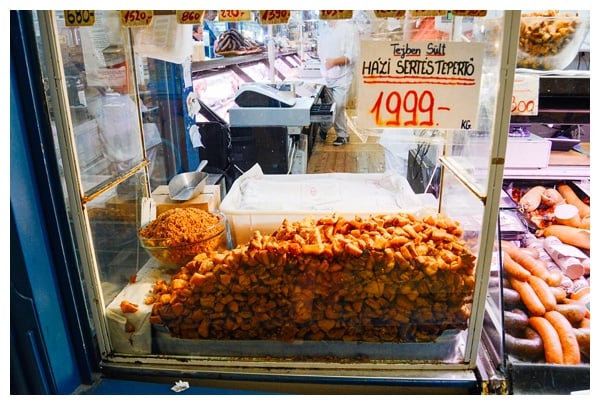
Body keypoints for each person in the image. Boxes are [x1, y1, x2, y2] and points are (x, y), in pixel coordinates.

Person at [317, 19, 360, 146]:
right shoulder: (324, 30)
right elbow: (322, 52)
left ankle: (324, 127)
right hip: (326, 76)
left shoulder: (348, 28)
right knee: (335, 107)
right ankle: (343, 135)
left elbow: (352, 56)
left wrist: (333, 62)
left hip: (343, 77)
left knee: (337, 105)